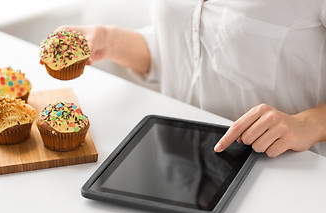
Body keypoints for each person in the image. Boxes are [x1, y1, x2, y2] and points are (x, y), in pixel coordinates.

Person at [56, 0, 326, 157]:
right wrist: (112, 41)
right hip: (177, 155)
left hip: (279, 167)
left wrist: (307, 124)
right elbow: (182, 52)